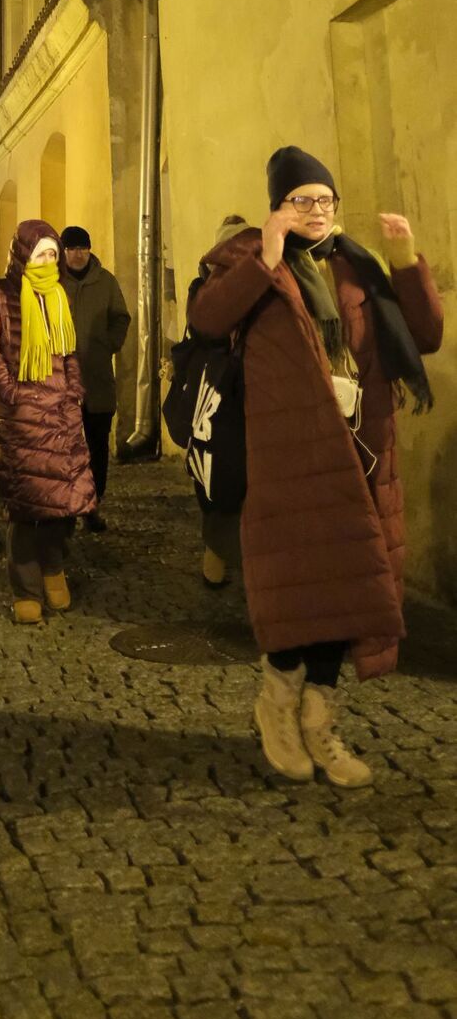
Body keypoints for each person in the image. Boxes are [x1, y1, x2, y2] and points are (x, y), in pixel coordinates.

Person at [189, 145, 442, 788]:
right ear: (279, 206)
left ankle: (321, 725)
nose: (317, 211)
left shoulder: (357, 264)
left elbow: (427, 334)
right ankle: (277, 711)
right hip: (291, 457)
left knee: (347, 590)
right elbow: (207, 320)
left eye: (325, 200)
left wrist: (406, 258)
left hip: (363, 454)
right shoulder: (250, 262)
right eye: (302, 200)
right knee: (295, 586)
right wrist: (266, 258)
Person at [0, 220, 95, 623]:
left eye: (52, 254)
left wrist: (74, 389)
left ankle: (54, 570)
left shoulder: (60, 295)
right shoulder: (0, 293)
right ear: (23, 253)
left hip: (61, 415)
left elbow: (70, 351)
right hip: (23, 417)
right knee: (26, 507)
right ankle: (26, 588)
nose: (47, 260)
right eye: (40, 252)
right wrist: (11, 392)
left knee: (61, 504)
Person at [183, 213, 249, 589]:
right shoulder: (203, 286)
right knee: (214, 471)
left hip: (251, 389)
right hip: (214, 390)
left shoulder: (261, 281)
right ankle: (216, 552)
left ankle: (241, 553)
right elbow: (203, 329)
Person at [59, 226, 131, 532]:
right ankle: (65, 505)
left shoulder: (105, 281)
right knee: (64, 447)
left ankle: (92, 503)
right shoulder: (54, 282)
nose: (79, 254)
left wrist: (108, 344)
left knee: (97, 446)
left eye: (83, 249)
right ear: (64, 252)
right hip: (61, 383)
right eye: (73, 248)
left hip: (97, 378)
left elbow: (121, 317)